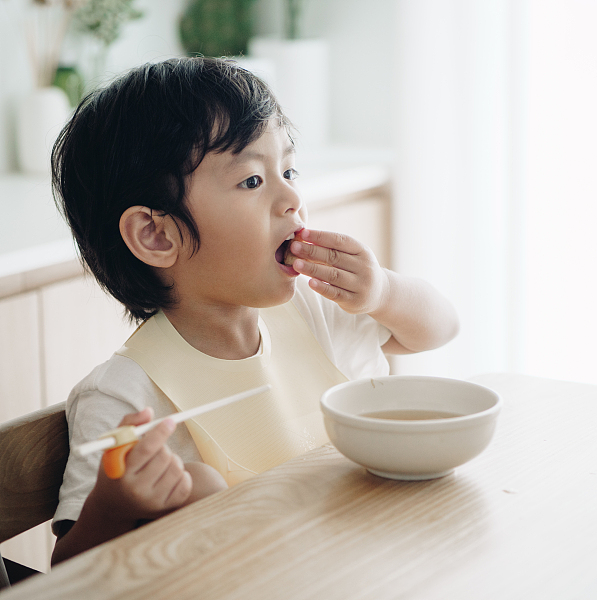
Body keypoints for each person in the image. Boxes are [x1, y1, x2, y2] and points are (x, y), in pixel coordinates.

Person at [49, 57, 459, 565]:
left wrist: (383, 294)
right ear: (156, 235)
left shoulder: (318, 312)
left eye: (287, 170)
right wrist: (113, 506)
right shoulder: (123, 396)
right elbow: (67, 572)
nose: (292, 198)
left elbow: (439, 328)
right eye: (252, 181)